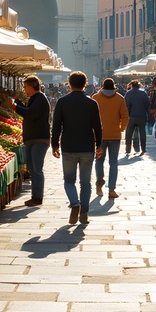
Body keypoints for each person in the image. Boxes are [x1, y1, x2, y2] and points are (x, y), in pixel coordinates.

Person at [51, 71, 103, 225]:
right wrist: (99, 145)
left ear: (69, 83)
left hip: (69, 146)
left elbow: (56, 126)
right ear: (85, 84)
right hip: (87, 147)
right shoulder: (92, 103)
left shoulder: (62, 102)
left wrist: (54, 144)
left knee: (69, 180)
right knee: (85, 182)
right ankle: (84, 213)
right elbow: (98, 127)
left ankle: (75, 203)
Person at [14, 75, 51, 207]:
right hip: (31, 139)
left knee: (36, 169)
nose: (24, 89)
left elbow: (31, 114)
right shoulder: (34, 99)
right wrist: (17, 103)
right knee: (31, 167)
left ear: (32, 86)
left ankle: (37, 197)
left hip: (39, 139)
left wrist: (16, 107)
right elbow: (29, 111)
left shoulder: (40, 98)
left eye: (25, 86)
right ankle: (35, 196)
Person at [92, 78, 128, 199]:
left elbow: (90, 117)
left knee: (99, 161)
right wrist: (121, 128)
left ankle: (99, 183)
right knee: (113, 163)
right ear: (114, 86)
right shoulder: (120, 98)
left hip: (99, 136)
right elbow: (125, 116)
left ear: (102, 86)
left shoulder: (95, 98)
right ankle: (111, 189)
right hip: (115, 135)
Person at [124, 80, 151, 156]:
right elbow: (147, 105)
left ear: (131, 85)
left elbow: (126, 105)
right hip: (142, 116)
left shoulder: (128, 93)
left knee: (129, 133)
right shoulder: (143, 93)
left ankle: (128, 150)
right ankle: (143, 149)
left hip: (131, 117)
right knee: (142, 133)